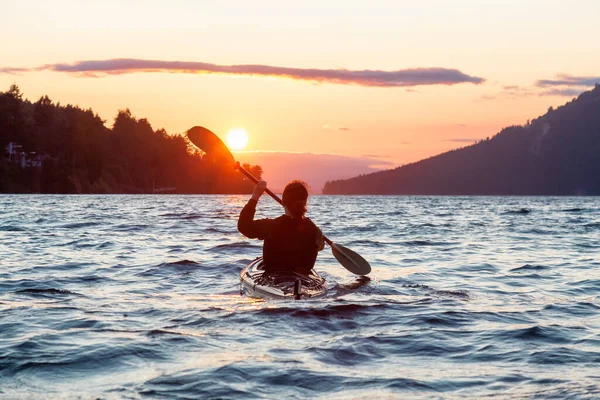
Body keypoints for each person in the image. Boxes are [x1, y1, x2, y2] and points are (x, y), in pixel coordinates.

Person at [238, 180, 325, 275]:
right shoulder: (315, 231)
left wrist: (255, 196)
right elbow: (320, 247)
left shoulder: (270, 226)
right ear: (305, 203)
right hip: (304, 281)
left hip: (273, 280)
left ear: (283, 202)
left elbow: (244, 226)